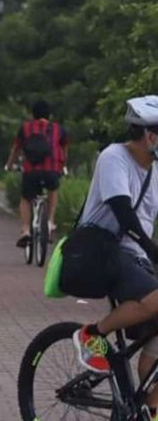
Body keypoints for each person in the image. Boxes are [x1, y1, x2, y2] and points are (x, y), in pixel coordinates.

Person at [71, 96, 158, 417]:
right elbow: (123, 211)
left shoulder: (155, 170)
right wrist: (152, 248)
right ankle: (93, 334)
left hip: (134, 256)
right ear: (150, 135)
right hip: (104, 251)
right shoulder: (114, 157)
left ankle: (149, 406)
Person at [5, 100, 68, 248]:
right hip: (52, 170)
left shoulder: (26, 129)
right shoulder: (59, 130)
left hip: (31, 171)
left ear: (32, 114)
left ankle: (26, 229)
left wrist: (10, 165)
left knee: (26, 198)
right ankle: (50, 221)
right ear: (50, 115)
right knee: (53, 189)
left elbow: (16, 149)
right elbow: (64, 153)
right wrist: (62, 167)